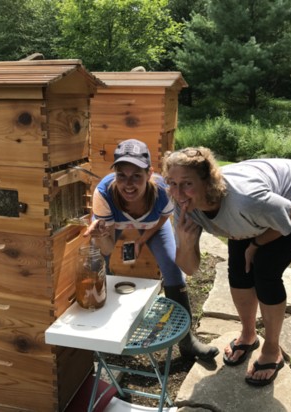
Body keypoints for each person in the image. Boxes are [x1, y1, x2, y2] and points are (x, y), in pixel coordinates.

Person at [162, 147, 291, 386]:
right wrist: (185, 243)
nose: (178, 193)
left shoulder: (246, 200)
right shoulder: (183, 205)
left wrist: (255, 244)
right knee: (238, 272)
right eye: (172, 184)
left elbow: (289, 215)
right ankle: (248, 335)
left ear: (207, 181)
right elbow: (190, 268)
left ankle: (272, 350)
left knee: (266, 270)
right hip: (253, 207)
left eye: (186, 183)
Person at [83, 139, 219, 361]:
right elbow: (107, 248)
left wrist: (142, 239)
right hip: (114, 223)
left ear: (149, 174)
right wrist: (101, 238)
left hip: (152, 223)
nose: (128, 184)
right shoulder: (104, 194)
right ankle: (102, 333)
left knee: (173, 268)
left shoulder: (165, 190)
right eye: (122, 175)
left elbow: (164, 217)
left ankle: (187, 341)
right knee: (97, 263)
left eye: (136, 175)